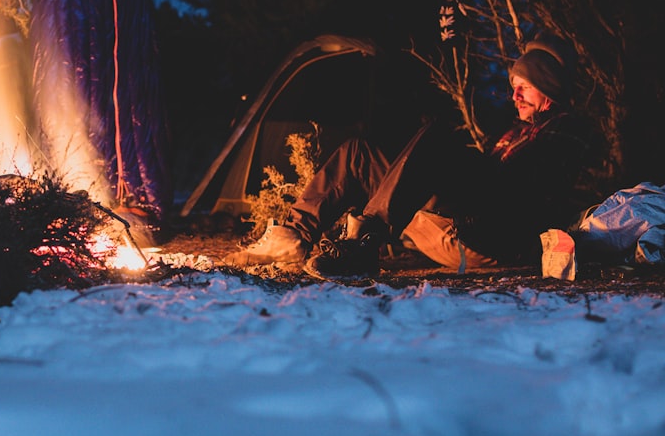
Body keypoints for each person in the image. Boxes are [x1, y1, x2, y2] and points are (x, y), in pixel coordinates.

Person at [224, 36, 593, 279]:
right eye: (513, 89)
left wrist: (461, 167)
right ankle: (293, 235)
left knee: (437, 138)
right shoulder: (516, 131)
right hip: (461, 222)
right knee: (359, 153)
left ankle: (363, 246)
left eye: (523, 89)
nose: (515, 98)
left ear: (549, 88)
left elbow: (522, 191)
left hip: (493, 236)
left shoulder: (566, 132)